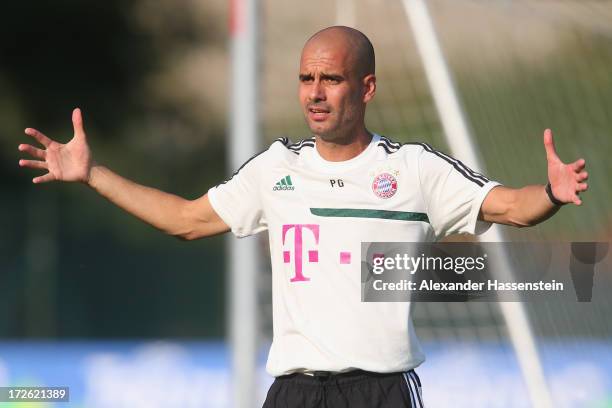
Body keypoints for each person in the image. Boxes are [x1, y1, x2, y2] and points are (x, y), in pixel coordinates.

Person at [18, 26, 588, 408]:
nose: (314, 93)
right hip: (294, 394)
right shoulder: (275, 167)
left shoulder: (413, 169)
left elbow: (512, 206)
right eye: (305, 79)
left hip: (381, 391)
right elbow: (186, 220)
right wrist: (94, 174)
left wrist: (553, 192)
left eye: (330, 79)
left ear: (365, 88)